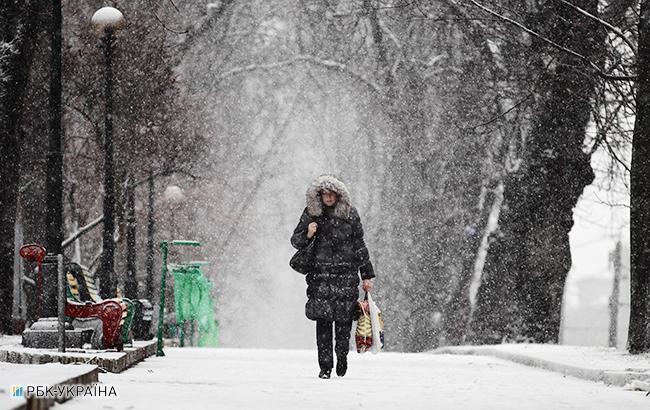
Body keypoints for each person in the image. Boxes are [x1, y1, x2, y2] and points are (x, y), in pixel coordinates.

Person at [290, 174, 375, 379]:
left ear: (338, 195)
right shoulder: (311, 215)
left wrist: (367, 276)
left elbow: (359, 246)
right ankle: (325, 367)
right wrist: (309, 233)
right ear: (319, 196)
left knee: (344, 323)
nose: (328, 198)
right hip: (320, 278)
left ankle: (342, 358)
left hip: (346, 277)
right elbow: (296, 241)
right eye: (324, 194)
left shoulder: (351, 215)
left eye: (331, 194)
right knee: (324, 326)